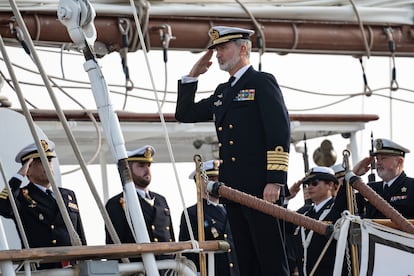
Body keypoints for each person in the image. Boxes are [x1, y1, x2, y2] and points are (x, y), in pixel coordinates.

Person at [175, 25, 291, 275]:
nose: (217, 54)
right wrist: (192, 76)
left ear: (242, 49)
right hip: (234, 190)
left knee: (271, 261)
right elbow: (184, 114)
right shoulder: (223, 92)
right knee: (246, 263)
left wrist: (275, 180)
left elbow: (279, 131)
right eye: (216, 49)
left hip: (262, 189)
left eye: (223, 48)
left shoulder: (261, 82)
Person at [0, 139, 87, 270]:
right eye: (40, 161)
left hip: (71, 266)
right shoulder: (22, 196)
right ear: (28, 169)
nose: (48, 164)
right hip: (40, 268)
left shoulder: (68, 195)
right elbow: (3, 206)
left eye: (50, 160)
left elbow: (79, 232)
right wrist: (18, 177)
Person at [105, 145, 175, 263]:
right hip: (136, 269)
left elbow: (171, 238)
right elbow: (114, 248)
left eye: (148, 166)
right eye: (141, 166)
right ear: (128, 170)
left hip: (166, 268)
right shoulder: (116, 204)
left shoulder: (161, 200)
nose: (147, 170)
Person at [179, 159, 239, 276]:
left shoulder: (232, 211)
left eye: (219, 179)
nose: (217, 184)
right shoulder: (193, 213)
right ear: (199, 182)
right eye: (211, 179)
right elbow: (188, 252)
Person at [287, 166, 344, 276]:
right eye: (308, 184)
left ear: (330, 185)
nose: (309, 187)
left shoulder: (338, 209)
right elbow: (282, 226)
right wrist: (286, 199)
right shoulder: (304, 213)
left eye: (315, 183)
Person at [352, 138, 414, 218]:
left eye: (383, 158)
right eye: (377, 159)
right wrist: (353, 174)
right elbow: (338, 211)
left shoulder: (411, 187)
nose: (378, 163)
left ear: (399, 162)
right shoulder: (370, 189)